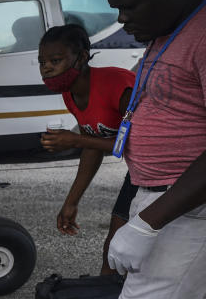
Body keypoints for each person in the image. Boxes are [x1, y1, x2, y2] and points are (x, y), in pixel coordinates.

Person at [105, 0, 206, 299]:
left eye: (131, 6)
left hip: (187, 208)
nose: (121, 18)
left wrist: (149, 221)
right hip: (163, 200)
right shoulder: (175, 21)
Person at [37, 24, 136, 274]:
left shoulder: (118, 84)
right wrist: (71, 202)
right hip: (140, 173)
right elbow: (92, 145)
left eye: (55, 60)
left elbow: (139, 142)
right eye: (42, 62)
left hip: (169, 171)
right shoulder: (70, 93)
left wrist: (74, 140)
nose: (46, 67)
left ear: (81, 57)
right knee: (113, 250)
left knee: (127, 251)